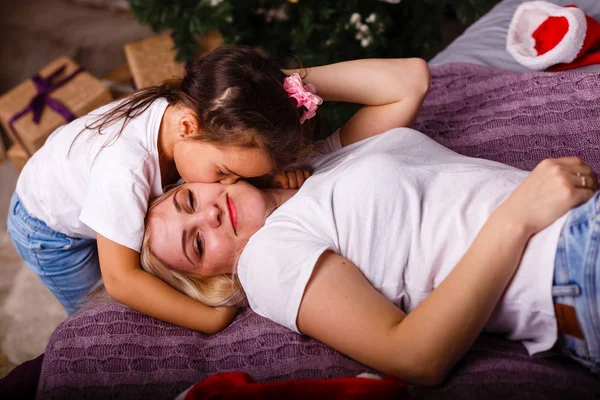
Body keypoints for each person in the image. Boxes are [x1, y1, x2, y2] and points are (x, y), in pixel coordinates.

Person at [140, 57, 600, 384]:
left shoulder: (313, 165)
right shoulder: (267, 260)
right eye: (196, 244)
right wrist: (517, 217)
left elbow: (408, 80)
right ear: (213, 276)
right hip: (565, 266)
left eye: (189, 203)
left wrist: (257, 93)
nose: (211, 215)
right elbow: (415, 356)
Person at [6, 46, 321, 332]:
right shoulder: (124, 170)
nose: (229, 186)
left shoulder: (188, 124)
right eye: (225, 173)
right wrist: (209, 319)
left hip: (77, 180)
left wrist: (270, 183)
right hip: (46, 228)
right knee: (98, 312)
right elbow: (121, 280)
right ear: (187, 128)